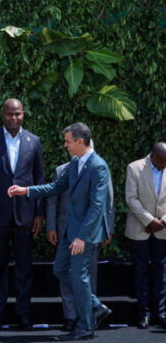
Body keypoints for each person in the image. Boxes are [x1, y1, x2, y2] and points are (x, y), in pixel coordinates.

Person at [9, 122, 113, 341]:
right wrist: (26, 190)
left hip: (84, 234)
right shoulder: (75, 163)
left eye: (68, 141)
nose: (65, 145)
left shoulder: (99, 166)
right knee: (60, 269)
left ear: (80, 141)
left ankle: (85, 326)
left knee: (79, 277)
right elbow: (55, 187)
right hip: (70, 231)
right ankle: (96, 305)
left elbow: (97, 206)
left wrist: (81, 237)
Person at [0, 98, 44, 330]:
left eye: (18, 114)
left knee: (24, 269)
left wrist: (38, 213)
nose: (14, 118)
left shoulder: (34, 141)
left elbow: (39, 180)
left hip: (25, 215)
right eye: (9, 114)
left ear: (23, 114)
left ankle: (24, 315)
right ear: (2, 115)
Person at [47, 140, 115, 332]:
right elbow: (52, 200)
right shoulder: (62, 170)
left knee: (88, 276)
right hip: (65, 231)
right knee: (64, 273)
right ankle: (70, 317)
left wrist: (108, 228)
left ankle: (88, 318)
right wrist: (50, 227)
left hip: (90, 233)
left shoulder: (99, 168)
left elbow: (107, 201)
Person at [123, 142, 166, 329]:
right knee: (140, 271)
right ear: (152, 156)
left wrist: (162, 221)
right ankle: (144, 313)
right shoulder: (134, 168)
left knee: (161, 272)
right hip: (140, 229)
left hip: (163, 229)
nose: (164, 166)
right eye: (161, 163)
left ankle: (161, 312)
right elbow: (131, 198)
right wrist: (149, 221)